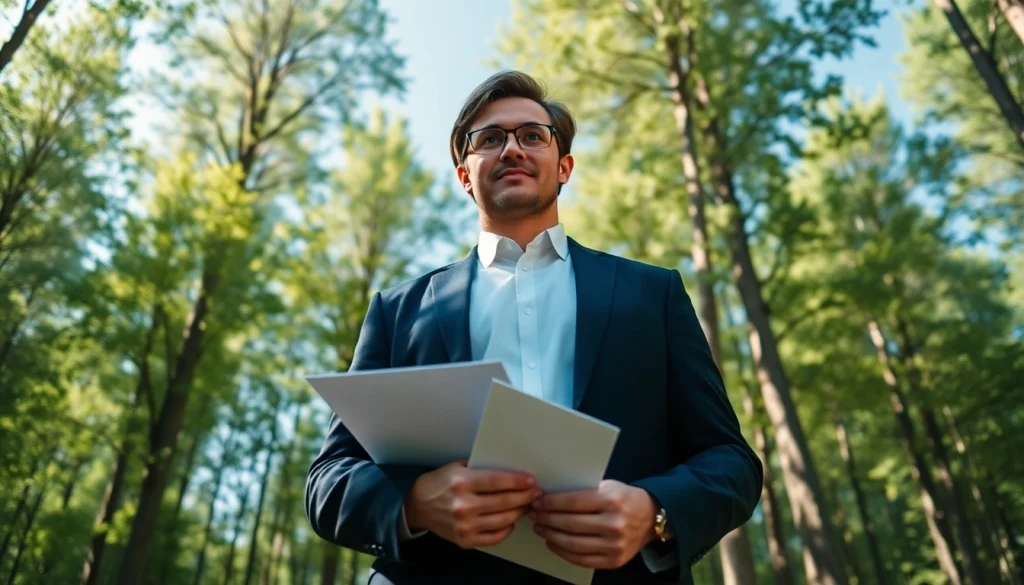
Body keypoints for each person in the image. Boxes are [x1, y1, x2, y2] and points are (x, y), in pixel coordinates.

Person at [305, 70, 763, 585]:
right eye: (489, 139)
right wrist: (413, 504)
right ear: (464, 175)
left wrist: (656, 513)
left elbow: (731, 461)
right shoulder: (397, 310)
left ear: (564, 166)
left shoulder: (653, 294)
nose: (512, 149)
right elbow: (329, 479)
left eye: (532, 135)